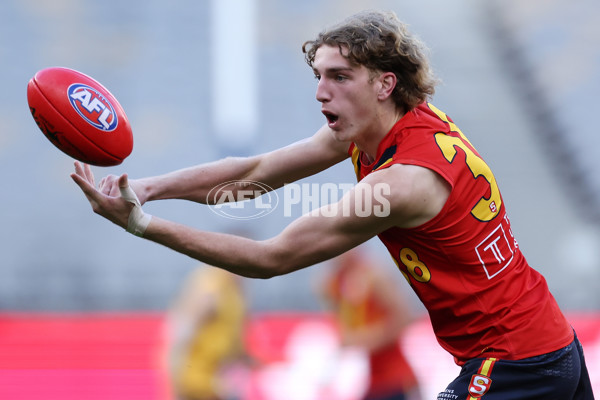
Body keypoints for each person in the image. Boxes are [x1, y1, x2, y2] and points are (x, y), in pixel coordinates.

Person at [71, 10, 594, 399]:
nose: (321, 92)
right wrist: (145, 187)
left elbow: (272, 258)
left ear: (386, 84)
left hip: (516, 362)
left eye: (339, 77)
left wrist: (142, 224)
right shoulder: (386, 127)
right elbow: (253, 175)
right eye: (318, 76)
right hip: (548, 344)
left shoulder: (401, 183)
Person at [320, 247, 421, 400]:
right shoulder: (334, 283)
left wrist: (364, 340)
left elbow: (404, 317)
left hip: (394, 379)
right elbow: (344, 330)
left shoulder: (374, 276)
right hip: (365, 380)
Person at [165, 264, 249, 400]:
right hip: (197, 382)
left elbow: (234, 342)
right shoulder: (211, 288)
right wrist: (176, 377)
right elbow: (181, 336)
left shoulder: (234, 291)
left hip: (217, 381)